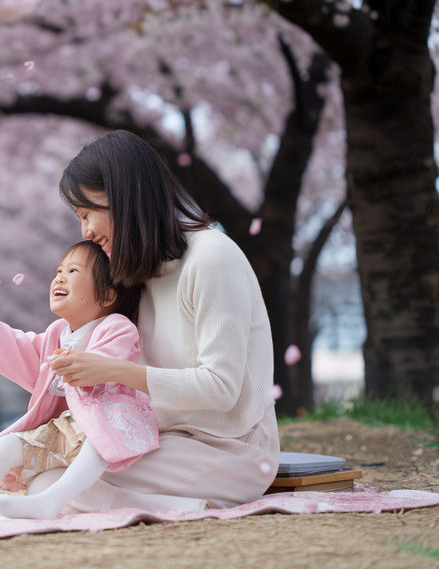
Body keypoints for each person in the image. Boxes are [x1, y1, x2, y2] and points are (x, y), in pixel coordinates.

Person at [40, 129, 279, 513]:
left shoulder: (211, 258)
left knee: (60, 484)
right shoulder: (135, 273)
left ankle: (170, 505)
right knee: (46, 477)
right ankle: (176, 505)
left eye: (87, 214)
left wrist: (112, 370)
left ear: (123, 197)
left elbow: (222, 389)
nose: (86, 232)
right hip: (162, 440)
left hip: (233, 449)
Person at [0, 240, 159, 522]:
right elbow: (19, 347)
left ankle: (50, 501)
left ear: (106, 295)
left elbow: (105, 364)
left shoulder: (117, 326)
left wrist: (74, 363)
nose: (59, 277)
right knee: (9, 444)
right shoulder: (57, 333)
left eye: (73, 271)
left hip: (108, 422)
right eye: (59, 271)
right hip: (67, 427)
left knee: (98, 441)